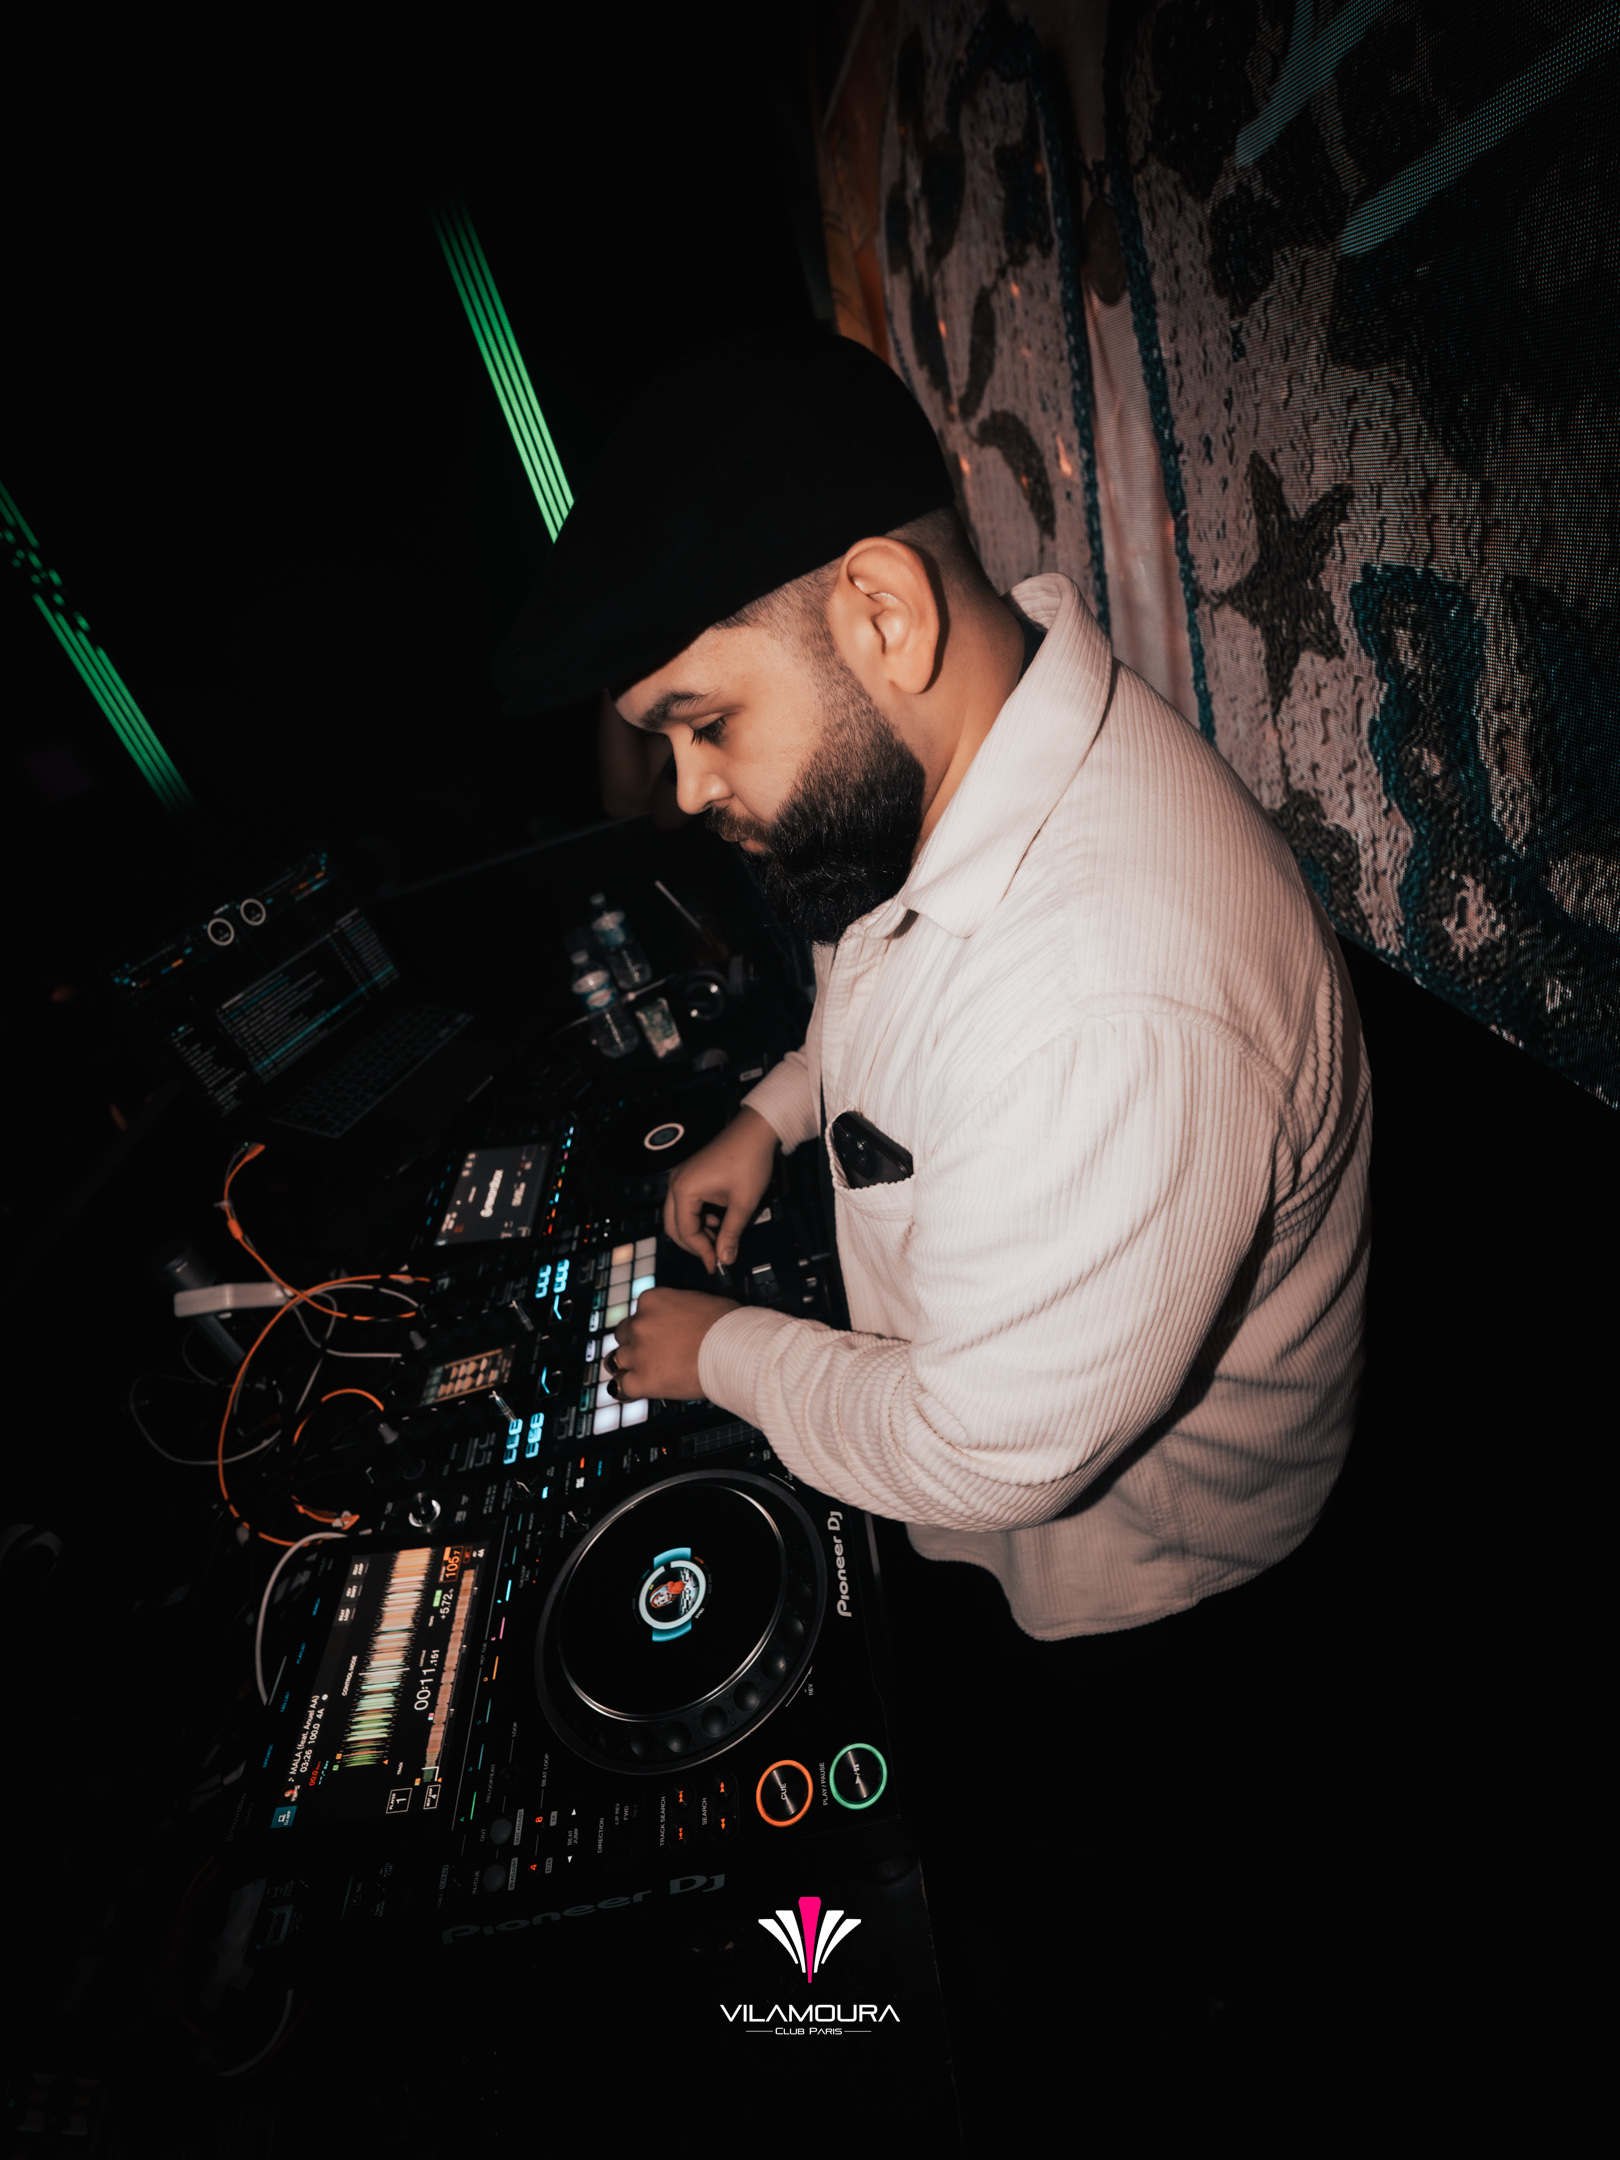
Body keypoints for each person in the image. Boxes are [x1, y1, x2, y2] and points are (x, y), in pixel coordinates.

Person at [495, 334, 1370, 1639]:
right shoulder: (958, 752)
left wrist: (718, 1354)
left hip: (1155, 1580)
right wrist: (772, 1115)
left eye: (707, 723)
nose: (689, 789)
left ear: (884, 614)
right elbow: (893, 993)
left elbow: (986, 1452)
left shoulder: (1105, 1010)